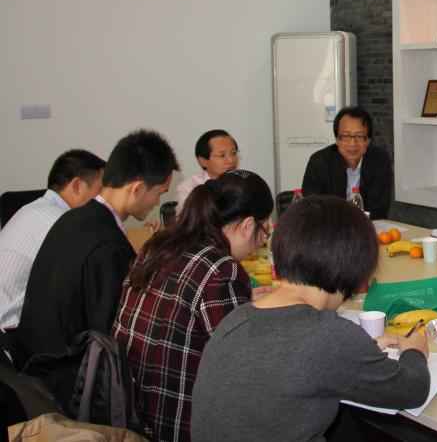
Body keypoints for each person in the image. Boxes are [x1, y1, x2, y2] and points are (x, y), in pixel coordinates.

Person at [190, 196, 430, 441]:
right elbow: (412, 389)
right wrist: (415, 351)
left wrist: (360, 352)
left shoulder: (236, 317)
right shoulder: (329, 335)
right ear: (352, 271)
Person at [114, 169, 273, 442]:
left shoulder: (159, 246)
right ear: (248, 225)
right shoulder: (221, 269)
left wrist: (244, 301)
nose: (262, 242)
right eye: (264, 231)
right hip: (179, 424)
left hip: (134, 414)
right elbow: (245, 367)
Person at [15, 129, 178, 370]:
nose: (157, 202)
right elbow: (113, 335)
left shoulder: (72, 218)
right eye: (159, 193)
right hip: (69, 375)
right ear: (136, 189)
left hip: (33, 364)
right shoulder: (109, 247)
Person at [0, 149, 105, 330]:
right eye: (100, 191)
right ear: (77, 186)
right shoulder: (59, 222)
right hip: (10, 334)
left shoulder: (35, 209)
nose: (103, 199)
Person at [301, 107, 392, 219]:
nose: (352, 143)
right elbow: (313, 206)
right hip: (329, 225)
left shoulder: (379, 160)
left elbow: (379, 208)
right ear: (337, 140)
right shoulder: (319, 162)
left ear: (368, 140)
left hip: (367, 225)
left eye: (359, 136)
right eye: (345, 136)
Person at [174, 130, 240, 212]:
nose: (230, 160)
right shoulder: (189, 189)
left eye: (233, 153)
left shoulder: (245, 182)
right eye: (222, 155)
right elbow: (188, 219)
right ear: (203, 161)